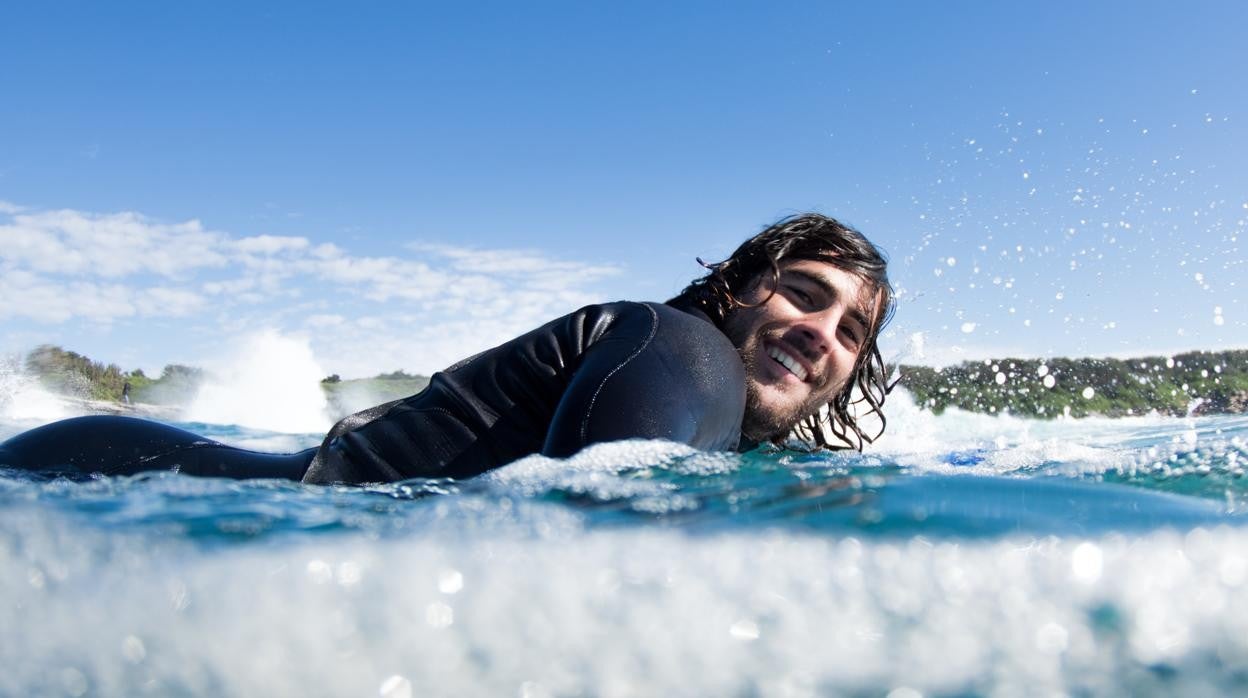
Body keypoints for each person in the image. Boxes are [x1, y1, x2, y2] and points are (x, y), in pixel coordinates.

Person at [0, 213, 894, 484]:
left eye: (851, 331)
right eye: (804, 294)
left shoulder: (736, 433)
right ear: (738, 292)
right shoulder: (684, 347)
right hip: (110, 472)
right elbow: (603, 529)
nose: (822, 333)